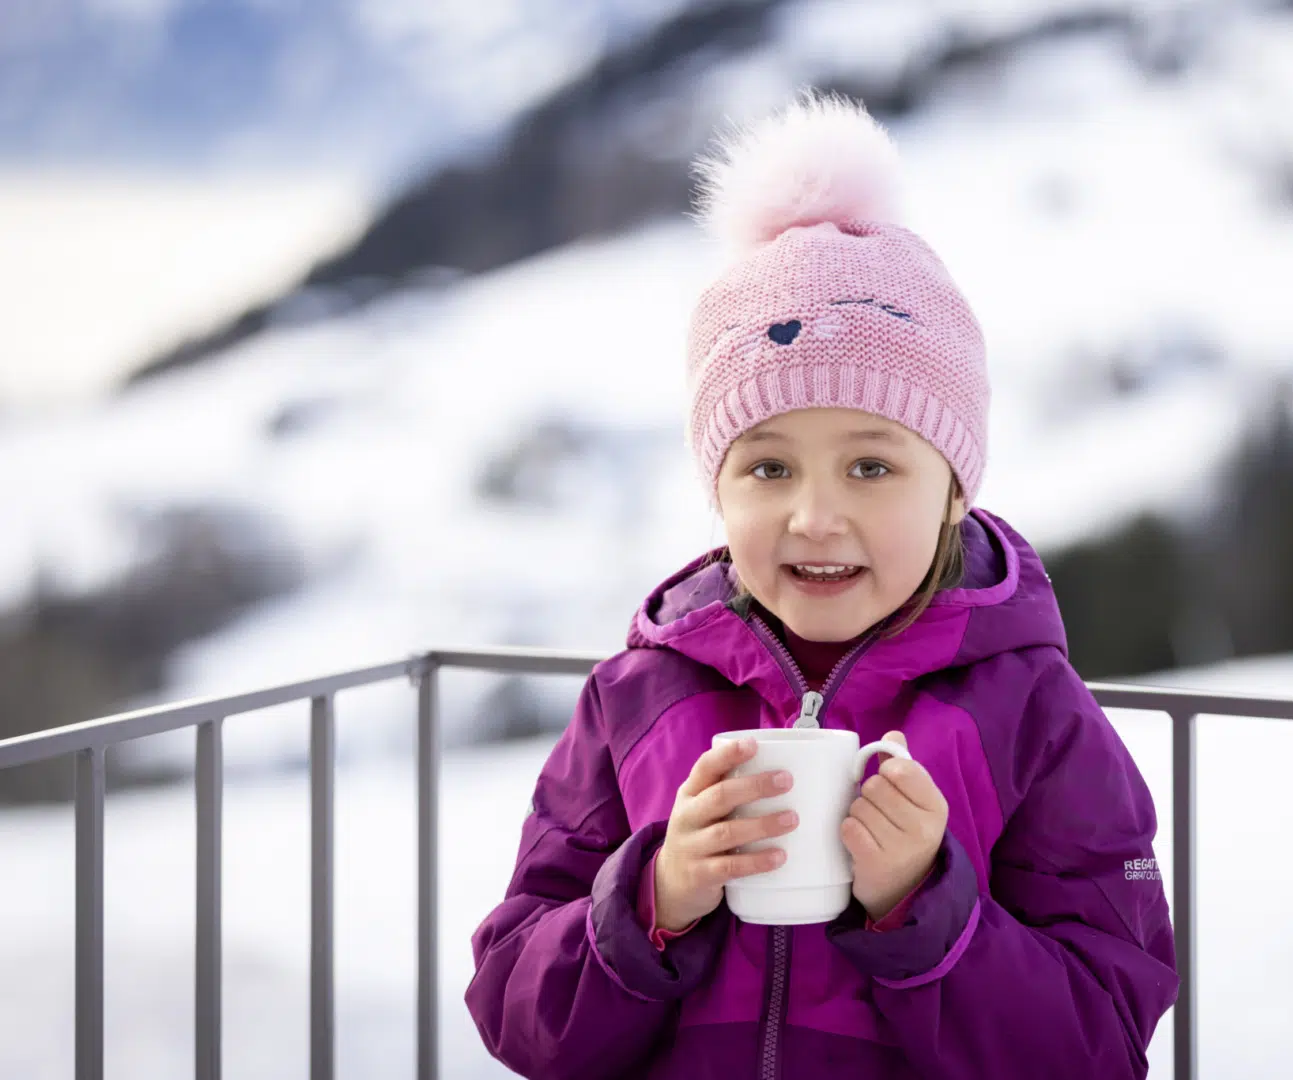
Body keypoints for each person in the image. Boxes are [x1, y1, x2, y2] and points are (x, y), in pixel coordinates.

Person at [465, 90, 1178, 1080]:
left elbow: (1100, 1036)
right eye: (766, 468)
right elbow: (513, 1004)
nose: (813, 516)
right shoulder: (633, 700)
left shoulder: (1032, 714)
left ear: (951, 493)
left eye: (870, 466)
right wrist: (651, 900)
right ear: (714, 487)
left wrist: (928, 910)